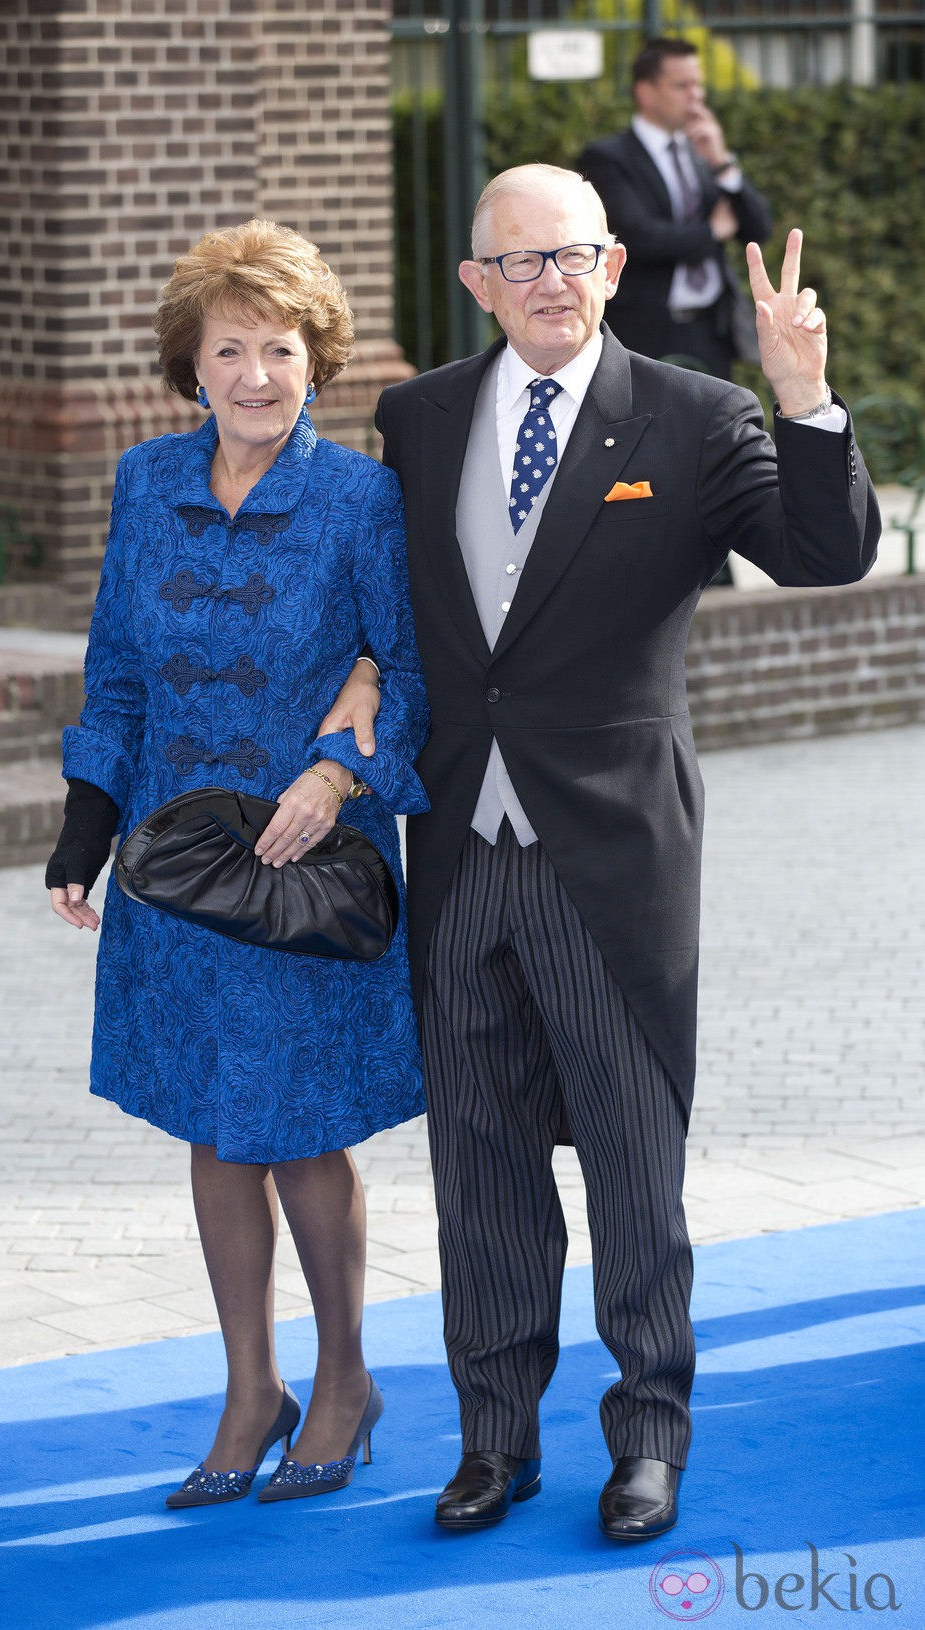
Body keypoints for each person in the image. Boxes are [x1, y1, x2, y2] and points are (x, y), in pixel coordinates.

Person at [355, 162, 879, 1540]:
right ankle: (492, 1437)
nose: (544, 281)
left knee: (637, 1167)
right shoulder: (414, 420)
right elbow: (384, 611)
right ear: (475, 283)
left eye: (569, 256)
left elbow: (826, 553)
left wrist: (804, 395)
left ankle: (648, 1436)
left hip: (612, 856)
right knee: (479, 1166)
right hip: (459, 849)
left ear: (613, 269)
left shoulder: (699, 420)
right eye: (513, 262)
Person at [45, 219, 429, 1510]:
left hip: (304, 859)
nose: (258, 375)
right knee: (217, 1121)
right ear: (190, 366)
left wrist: (336, 777)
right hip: (180, 862)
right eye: (230, 350)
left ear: (318, 361)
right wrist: (83, 833)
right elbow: (115, 666)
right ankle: (249, 1385)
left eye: (282, 349)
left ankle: (345, 1377)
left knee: (300, 1123)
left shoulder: (361, 497)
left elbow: (411, 674)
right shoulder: (143, 482)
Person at [578, 37, 772, 378]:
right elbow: (637, 238)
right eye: (682, 86)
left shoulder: (702, 156)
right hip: (646, 334)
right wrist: (712, 231)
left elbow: (758, 228)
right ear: (646, 92)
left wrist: (722, 163)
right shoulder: (609, 159)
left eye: (698, 85)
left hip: (712, 331)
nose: (696, 96)